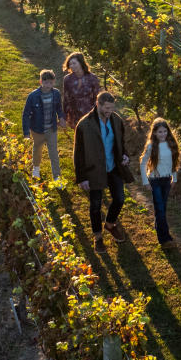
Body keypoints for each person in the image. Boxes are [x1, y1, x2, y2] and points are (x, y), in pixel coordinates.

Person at [74, 91, 134, 245]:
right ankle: (98, 237)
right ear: (98, 104)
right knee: (95, 205)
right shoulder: (84, 125)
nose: (109, 111)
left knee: (120, 199)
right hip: (94, 170)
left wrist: (125, 155)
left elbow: (120, 143)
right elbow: (78, 154)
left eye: (112, 108)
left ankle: (109, 224)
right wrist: (82, 177)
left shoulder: (116, 120)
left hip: (113, 167)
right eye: (106, 108)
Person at [140, 118, 180, 246]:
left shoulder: (171, 145)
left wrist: (174, 177)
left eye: (165, 131)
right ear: (154, 133)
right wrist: (145, 181)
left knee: (162, 208)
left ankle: (159, 228)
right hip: (155, 180)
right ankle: (165, 238)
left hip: (166, 180)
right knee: (160, 209)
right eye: (160, 132)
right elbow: (142, 163)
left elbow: (173, 163)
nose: (163, 134)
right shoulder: (152, 146)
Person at [22, 69, 63, 178]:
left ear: (54, 82)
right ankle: (36, 168)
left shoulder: (56, 94)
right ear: (40, 82)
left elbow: (59, 107)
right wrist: (26, 133)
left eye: (50, 82)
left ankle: (57, 177)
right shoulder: (33, 96)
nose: (48, 85)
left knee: (54, 153)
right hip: (37, 129)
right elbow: (26, 115)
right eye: (45, 82)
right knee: (37, 150)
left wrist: (61, 117)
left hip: (51, 129)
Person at [62, 51, 102, 129]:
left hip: (89, 112)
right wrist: (64, 116)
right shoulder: (67, 79)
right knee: (78, 136)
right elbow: (66, 98)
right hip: (74, 113)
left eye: (74, 63)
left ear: (81, 63)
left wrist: (97, 114)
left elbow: (97, 97)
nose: (72, 66)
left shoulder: (92, 78)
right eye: (70, 64)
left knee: (89, 136)